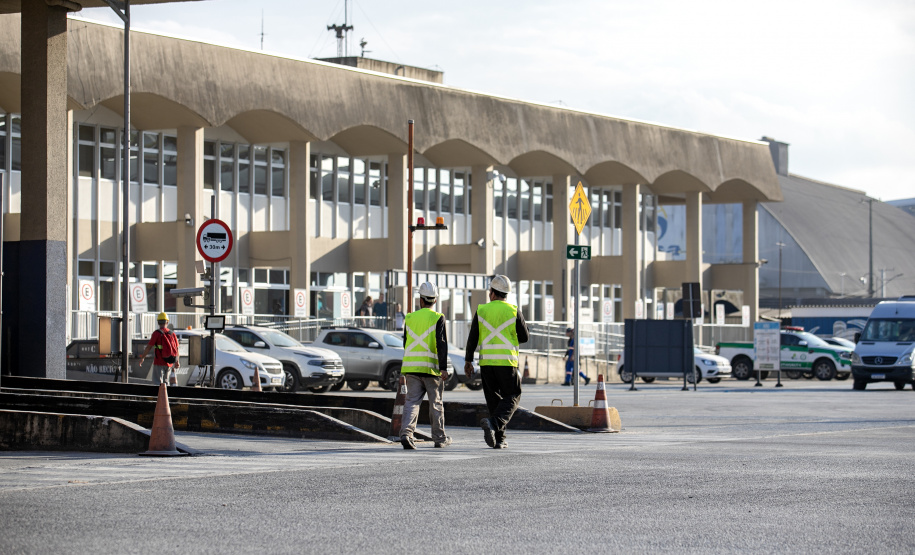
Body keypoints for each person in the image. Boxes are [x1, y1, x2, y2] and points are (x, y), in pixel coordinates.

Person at [464, 274, 529, 449]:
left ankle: (499, 439)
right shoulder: (514, 311)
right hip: (507, 362)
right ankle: (494, 425)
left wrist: (468, 361)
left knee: (494, 401)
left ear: (492, 292)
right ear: (506, 294)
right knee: (513, 395)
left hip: (486, 365)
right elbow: (524, 337)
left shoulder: (482, 310)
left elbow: (473, 338)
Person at [399, 282, 451, 449]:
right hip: (431, 369)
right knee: (435, 403)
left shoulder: (410, 318)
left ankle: (406, 434)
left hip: (411, 368)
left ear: (420, 299)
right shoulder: (438, 317)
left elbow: (405, 342)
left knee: (412, 402)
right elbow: (441, 344)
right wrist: (443, 368)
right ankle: (439, 438)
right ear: (434, 301)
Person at [139, 312, 180, 386]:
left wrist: (143, 358)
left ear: (158, 322)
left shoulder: (156, 333)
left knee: (157, 383)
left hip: (158, 362)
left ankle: (158, 397)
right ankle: (165, 397)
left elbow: (149, 347)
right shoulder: (172, 333)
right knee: (166, 383)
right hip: (169, 362)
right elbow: (176, 349)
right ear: (167, 322)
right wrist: (177, 361)